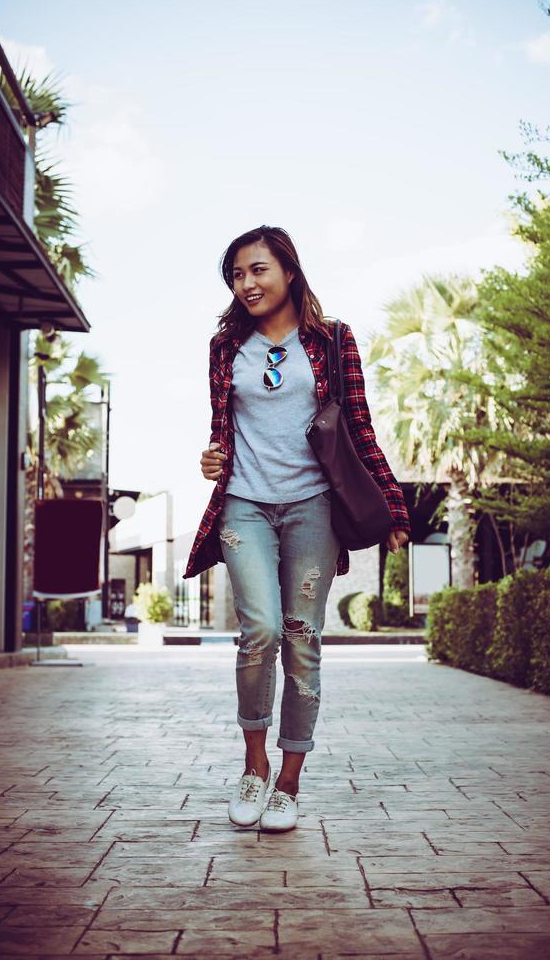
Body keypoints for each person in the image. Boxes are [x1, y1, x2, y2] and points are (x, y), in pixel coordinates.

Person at [183, 225, 410, 832]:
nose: (246, 283)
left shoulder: (332, 340)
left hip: (313, 506)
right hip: (244, 504)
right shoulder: (226, 346)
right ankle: (254, 767)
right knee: (258, 630)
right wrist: (212, 457)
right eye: (236, 274)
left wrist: (392, 505)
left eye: (257, 270)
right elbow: (221, 430)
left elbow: (358, 426)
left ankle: (288, 782)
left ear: (287, 270)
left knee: (301, 635)